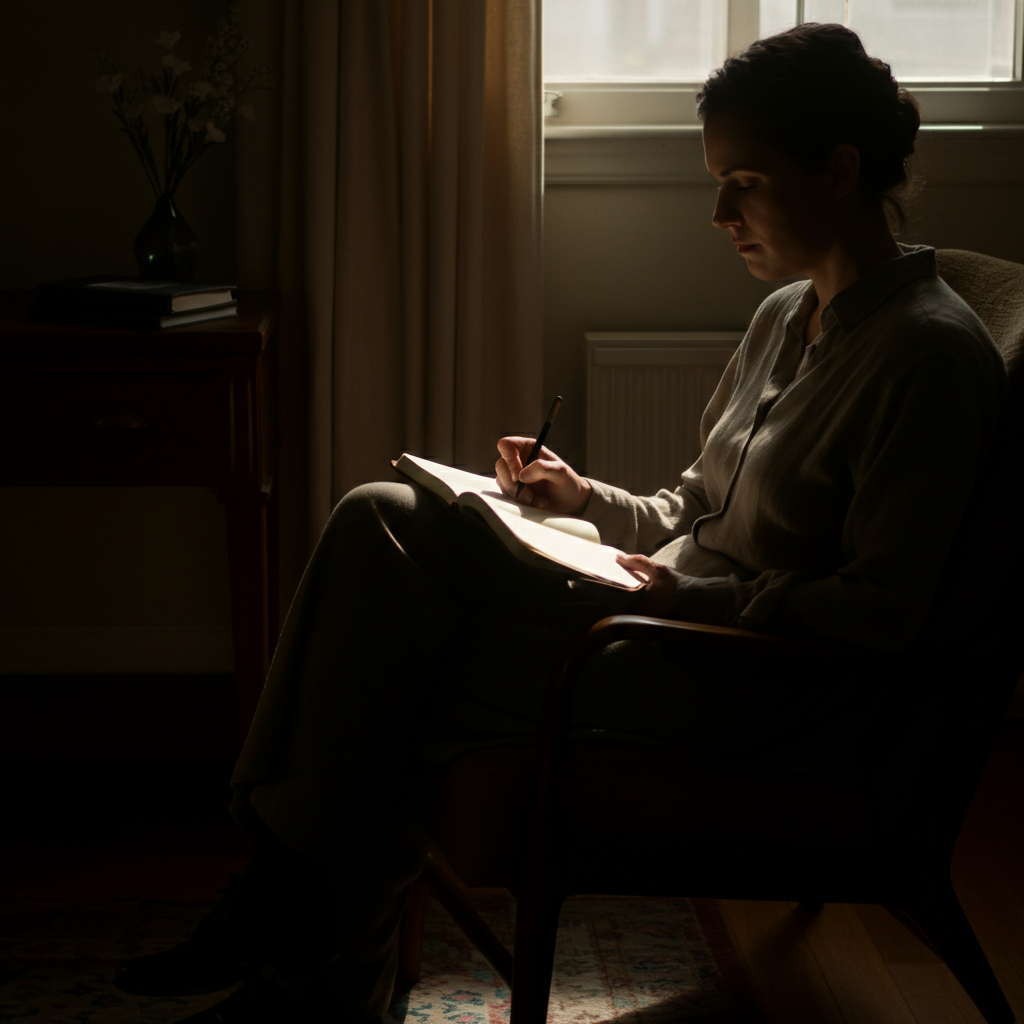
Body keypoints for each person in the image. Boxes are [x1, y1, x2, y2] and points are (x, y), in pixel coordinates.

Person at [114, 23, 1006, 1024]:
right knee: (383, 515)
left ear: (839, 170)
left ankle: (302, 948)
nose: (717, 213)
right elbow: (691, 508)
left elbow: (881, 610)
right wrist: (579, 499)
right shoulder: (785, 315)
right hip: (661, 617)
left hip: (748, 679)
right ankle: (298, 932)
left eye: (743, 182)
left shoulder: (925, 359)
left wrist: (690, 592)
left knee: (390, 654)